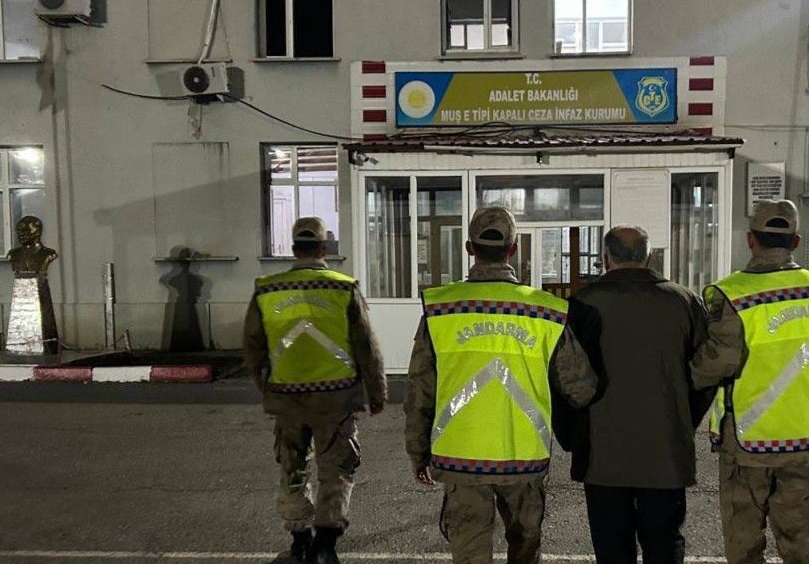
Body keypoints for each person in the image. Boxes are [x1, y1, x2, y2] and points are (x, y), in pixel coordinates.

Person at [404, 206, 597, 564]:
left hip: (460, 457)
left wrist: (418, 452)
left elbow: (420, 389)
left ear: (469, 248)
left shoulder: (441, 308)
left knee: (470, 552)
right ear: (514, 249)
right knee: (525, 548)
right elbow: (581, 388)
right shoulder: (547, 311)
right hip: (524, 458)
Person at [691, 200, 809, 564]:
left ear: (750, 240)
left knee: (744, 544)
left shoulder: (733, 295)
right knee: (801, 543)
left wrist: (680, 375)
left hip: (751, 442)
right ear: (796, 242)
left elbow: (716, 363)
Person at [553, 225, 712, 564]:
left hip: (602, 458)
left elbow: (564, 382)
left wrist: (572, 439)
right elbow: (706, 376)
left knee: (612, 550)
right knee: (664, 546)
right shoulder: (684, 302)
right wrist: (683, 420)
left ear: (606, 258)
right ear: (648, 257)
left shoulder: (581, 305)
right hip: (666, 456)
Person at [243, 217, 387, 564]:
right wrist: (376, 393)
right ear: (324, 248)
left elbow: (253, 348)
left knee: (292, 468)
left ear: (294, 249)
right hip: (336, 398)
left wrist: (268, 387)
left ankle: (299, 540)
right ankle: (325, 546)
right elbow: (366, 346)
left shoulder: (267, 289)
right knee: (336, 469)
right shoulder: (343, 288)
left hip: (287, 400)